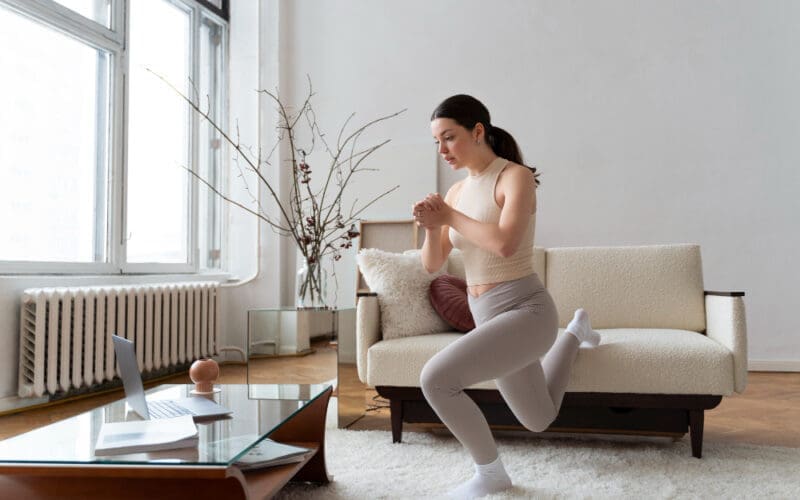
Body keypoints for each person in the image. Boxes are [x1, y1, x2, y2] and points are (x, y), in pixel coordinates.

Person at [412, 94, 600, 499]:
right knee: (538, 418)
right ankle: (575, 331)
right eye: (436, 142)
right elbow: (433, 263)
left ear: (478, 131)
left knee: (436, 379)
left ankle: (491, 474)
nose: (442, 150)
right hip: (488, 315)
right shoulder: (458, 192)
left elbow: (505, 244)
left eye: (450, 138)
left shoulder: (514, 177)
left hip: (525, 312)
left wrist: (447, 215)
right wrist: (432, 225)